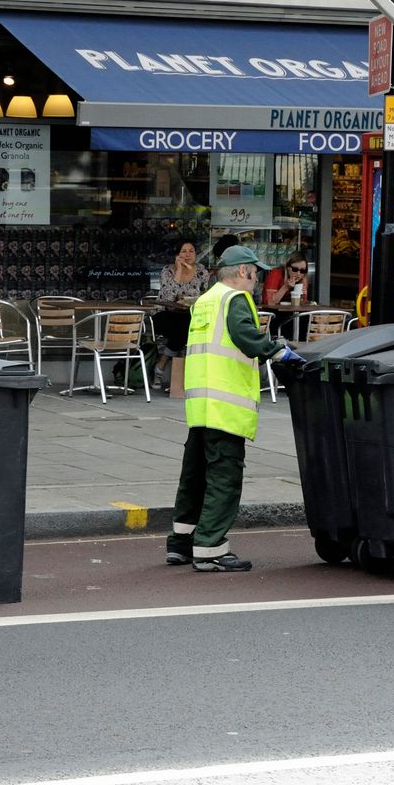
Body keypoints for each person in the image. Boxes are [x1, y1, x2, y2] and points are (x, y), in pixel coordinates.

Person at [165, 245, 303, 572]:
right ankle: (210, 548)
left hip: (200, 406)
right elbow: (244, 336)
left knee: (194, 478)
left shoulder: (205, 300)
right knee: (224, 479)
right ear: (243, 271)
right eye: (255, 273)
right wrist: (277, 352)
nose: (256, 279)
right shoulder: (235, 299)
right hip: (226, 407)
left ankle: (181, 544)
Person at [152, 238, 211, 387]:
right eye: (183, 251)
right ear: (177, 254)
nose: (188, 254)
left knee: (191, 327)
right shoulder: (168, 270)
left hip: (190, 314)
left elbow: (206, 293)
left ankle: (161, 367)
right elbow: (166, 297)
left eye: (191, 251)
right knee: (185, 329)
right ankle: (163, 367)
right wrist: (179, 270)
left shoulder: (201, 271)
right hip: (165, 314)